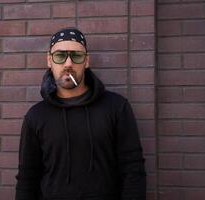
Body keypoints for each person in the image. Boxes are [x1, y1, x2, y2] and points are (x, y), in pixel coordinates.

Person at [15, 28, 146, 200]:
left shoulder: (116, 107)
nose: (68, 63)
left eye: (76, 56)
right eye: (60, 56)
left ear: (86, 61)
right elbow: (27, 177)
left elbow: (133, 170)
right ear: (49, 60)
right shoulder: (36, 116)